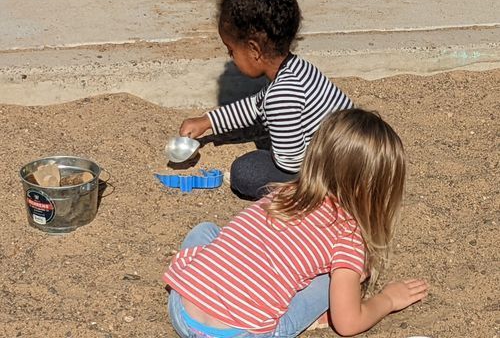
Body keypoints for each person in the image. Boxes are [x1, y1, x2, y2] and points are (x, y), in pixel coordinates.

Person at [164, 108, 430, 338]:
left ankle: (198, 272)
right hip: (242, 332)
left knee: (207, 231)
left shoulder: (283, 193)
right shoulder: (348, 234)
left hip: (183, 310)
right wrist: (388, 299)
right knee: (330, 281)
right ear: (378, 187)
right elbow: (349, 324)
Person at [178, 0, 353, 200]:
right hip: (354, 148)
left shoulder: (281, 96)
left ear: (253, 49)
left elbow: (291, 165)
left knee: (245, 172)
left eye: (231, 51)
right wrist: (206, 122)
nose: (231, 58)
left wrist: (272, 157)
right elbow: (254, 106)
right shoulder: (297, 69)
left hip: (340, 168)